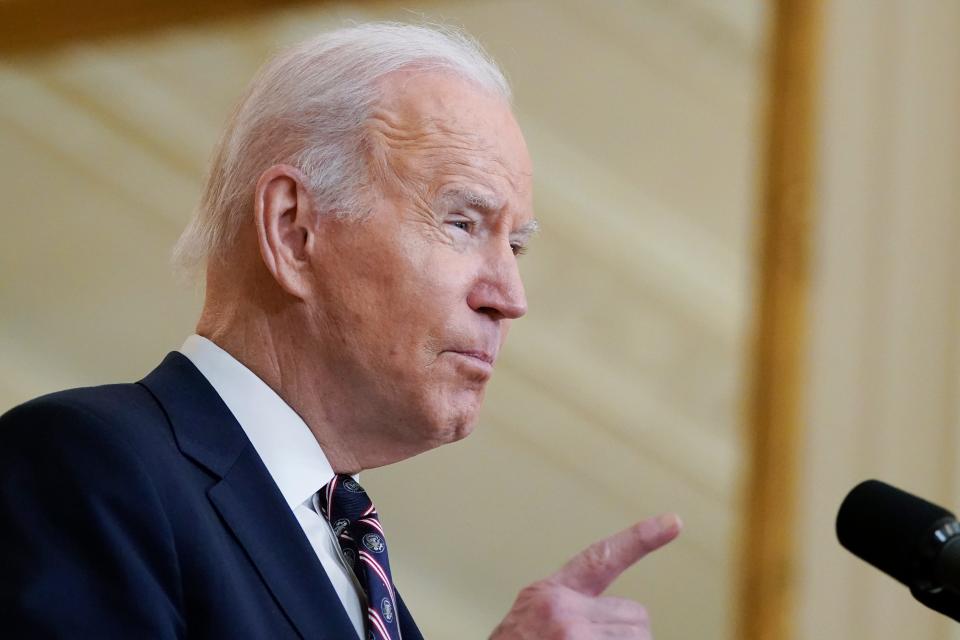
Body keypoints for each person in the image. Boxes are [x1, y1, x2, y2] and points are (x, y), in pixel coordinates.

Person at [0, 22, 681, 639]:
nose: (510, 297)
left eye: (516, 246)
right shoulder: (85, 468)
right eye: (463, 223)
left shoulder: (357, 567)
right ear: (294, 229)